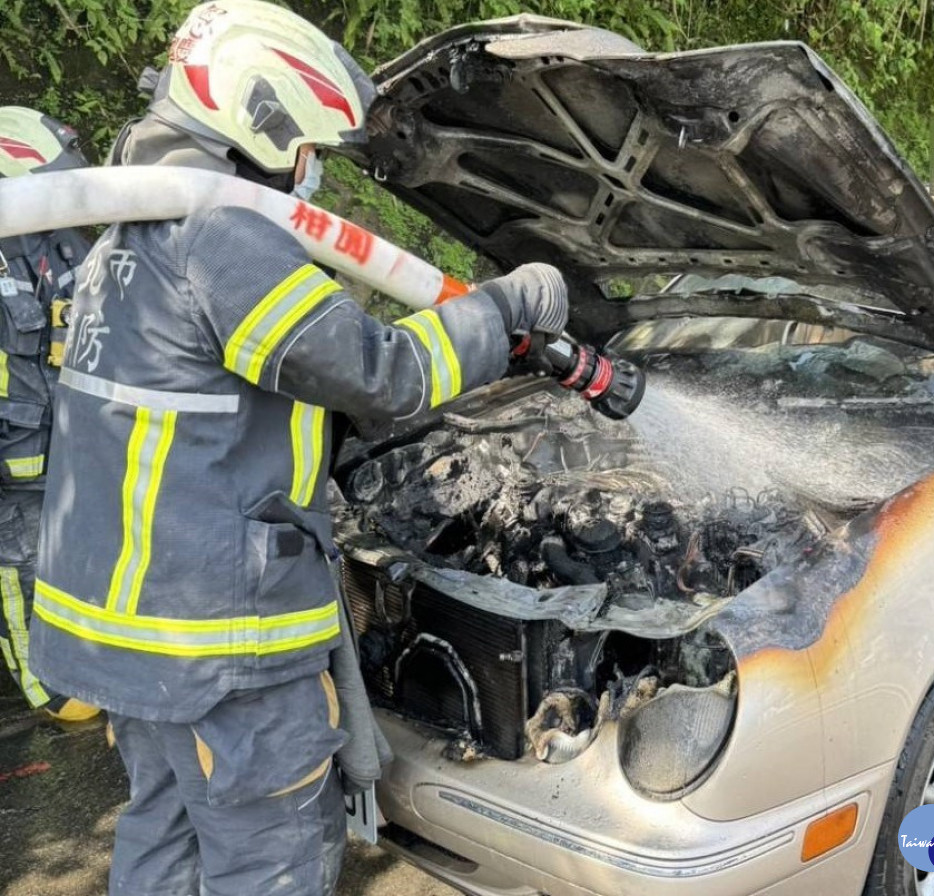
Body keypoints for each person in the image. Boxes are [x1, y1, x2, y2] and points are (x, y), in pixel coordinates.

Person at [27, 2, 569, 894]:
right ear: (262, 117)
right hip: (217, 653)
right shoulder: (218, 238)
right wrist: (505, 307)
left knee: (166, 836)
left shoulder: (122, 244)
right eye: (310, 148)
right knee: (268, 859)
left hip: (130, 641)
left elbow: (225, 404)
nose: (311, 170)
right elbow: (381, 372)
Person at [0, 106, 99, 722]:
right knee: (22, 571)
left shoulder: (68, 244)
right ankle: (47, 688)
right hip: (15, 475)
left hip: (79, 451)